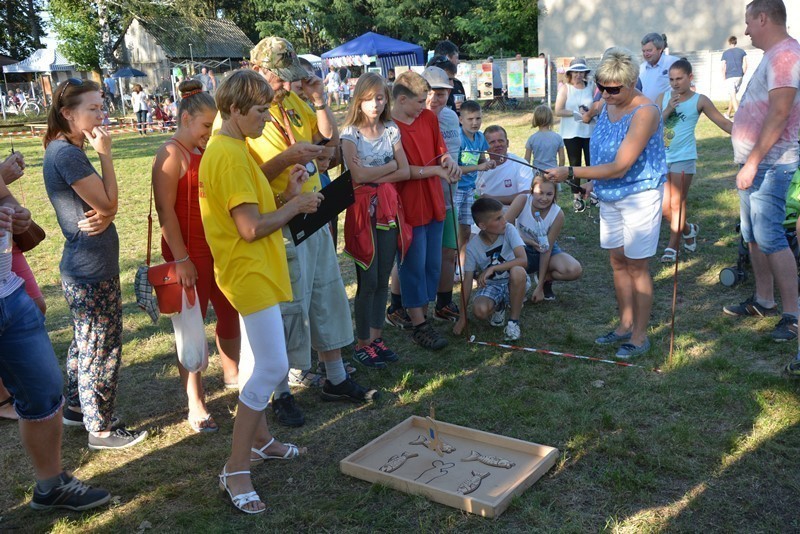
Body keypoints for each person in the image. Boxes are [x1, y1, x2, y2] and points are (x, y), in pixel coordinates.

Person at [199, 69, 321, 514]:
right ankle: (236, 467)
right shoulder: (228, 154)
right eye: (259, 111)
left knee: (257, 361)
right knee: (272, 366)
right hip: (247, 270)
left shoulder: (234, 146)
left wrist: (285, 190)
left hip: (253, 269)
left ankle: (262, 440)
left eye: (269, 108)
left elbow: (252, 205)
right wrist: (296, 205)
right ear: (233, 110)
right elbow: (249, 228)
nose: (267, 118)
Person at [248, 36, 379, 428]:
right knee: (289, 304)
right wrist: (287, 160)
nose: (286, 86)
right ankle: (281, 391)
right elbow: (245, 176)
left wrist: (320, 102)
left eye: (290, 78)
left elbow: (329, 143)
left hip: (313, 208)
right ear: (257, 70)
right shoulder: (239, 115)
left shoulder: (290, 102)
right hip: (280, 218)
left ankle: (335, 377)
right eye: (279, 78)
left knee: (326, 292)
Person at [43, 79, 148, 448]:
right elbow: (107, 204)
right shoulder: (67, 154)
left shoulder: (66, 147)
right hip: (89, 268)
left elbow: (104, 206)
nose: (101, 114)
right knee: (100, 348)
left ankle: (75, 409)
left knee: (84, 343)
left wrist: (107, 209)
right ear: (68, 114)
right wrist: (106, 154)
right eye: (93, 108)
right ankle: (100, 430)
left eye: (102, 106)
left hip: (87, 266)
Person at [544, 47, 667, 359]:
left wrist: (571, 171)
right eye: (602, 87)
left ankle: (640, 336)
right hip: (610, 195)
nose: (607, 95)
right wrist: (591, 182)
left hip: (639, 196)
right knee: (617, 261)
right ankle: (624, 324)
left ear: (633, 82)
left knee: (637, 266)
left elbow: (621, 164)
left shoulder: (645, 112)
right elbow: (603, 156)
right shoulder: (607, 105)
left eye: (614, 89)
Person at [1, 174, 112, 512]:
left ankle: (51, 485)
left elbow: (5, 200)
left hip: (9, 291)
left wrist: (17, 215)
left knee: (45, 391)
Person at [152, 79, 241, 433]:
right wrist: (182, 258)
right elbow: (165, 211)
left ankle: (233, 375)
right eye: (206, 125)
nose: (209, 132)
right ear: (187, 119)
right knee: (190, 329)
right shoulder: (171, 154)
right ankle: (195, 400)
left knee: (230, 311)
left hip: (217, 250)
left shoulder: (208, 151)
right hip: (187, 254)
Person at [723, 0, 800, 346]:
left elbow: (780, 113)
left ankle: (793, 315)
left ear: (763, 18)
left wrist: (753, 162)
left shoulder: (785, 56)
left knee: (770, 236)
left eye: (749, 22)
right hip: (755, 162)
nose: (747, 30)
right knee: (752, 234)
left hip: (771, 163)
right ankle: (764, 300)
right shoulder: (774, 55)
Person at [386, 70, 460, 349]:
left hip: (434, 201)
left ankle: (422, 311)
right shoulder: (389, 128)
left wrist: (448, 159)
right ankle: (419, 323)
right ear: (402, 100)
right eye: (419, 101)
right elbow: (401, 171)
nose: (425, 105)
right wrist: (437, 170)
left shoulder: (428, 118)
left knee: (431, 263)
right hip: (408, 207)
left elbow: (441, 150)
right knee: (412, 265)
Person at [341, 73, 410, 368]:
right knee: (367, 280)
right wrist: (388, 166)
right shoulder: (349, 133)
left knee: (383, 276)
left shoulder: (391, 130)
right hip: (362, 212)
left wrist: (375, 172)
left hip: (388, 209)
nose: (376, 104)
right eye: (369, 98)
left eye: (380, 98)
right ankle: (362, 342)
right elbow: (357, 177)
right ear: (359, 99)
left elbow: (405, 170)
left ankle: (377, 338)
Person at [656, 59, 732, 263]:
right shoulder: (663, 97)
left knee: (677, 203)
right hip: (662, 158)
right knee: (663, 208)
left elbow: (723, 122)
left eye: (679, 78)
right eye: (671, 79)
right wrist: (668, 109)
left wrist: (746, 135)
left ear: (690, 77)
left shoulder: (700, 100)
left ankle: (673, 246)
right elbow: (652, 125)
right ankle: (689, 230)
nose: (675, 83)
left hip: (684, 157)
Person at [453, 198, 528, 341]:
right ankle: (500, 306)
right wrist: (462, 318)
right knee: (480, 311)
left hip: (515, 280)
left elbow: (523, 260)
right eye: (498, 219)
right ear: (483, 225)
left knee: (518, 271)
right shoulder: (472, 247)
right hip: (492, 285)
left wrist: (493, 268)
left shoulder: (509, 230)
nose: (504, 221)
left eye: (503, 216)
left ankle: (513, 322)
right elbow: (467, 282)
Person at [422, 66, 463, 323]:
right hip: (423, 201)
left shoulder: (449, 117)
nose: (435, 99)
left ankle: (444, 302)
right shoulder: (411, 120)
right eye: (431, 92)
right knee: (415, 256)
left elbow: (456, 154)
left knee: (449, 251)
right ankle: (399, 305)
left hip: (449, 197)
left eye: (442, 93)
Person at [505, 176, 582, 302]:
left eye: (549, 194)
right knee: (507, 268)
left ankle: (545, 278)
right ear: (531, 190)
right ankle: (518, 283)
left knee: (574, 269)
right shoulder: (522, 200)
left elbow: (547, 248)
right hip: (520, 247)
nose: (544, 198)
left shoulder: (558, 214)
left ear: (555, 194)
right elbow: (504, 229)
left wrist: (539, 287)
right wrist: (528, 241)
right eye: (540, 193)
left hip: (544, 249)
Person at [455, 100, 495, 272]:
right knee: (453, 228)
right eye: (470, 119)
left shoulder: (480, 138)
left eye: (478, 118)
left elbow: (481, 159)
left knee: (465, 228)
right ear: (461, 119)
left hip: (470, 189)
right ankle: (450, 261)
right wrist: (479, 167)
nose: (475, 123)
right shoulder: (458, 138)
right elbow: (455, 168)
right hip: (456, 189)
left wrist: (488, 162)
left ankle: (460, 264)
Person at [555, 58, 596, 208]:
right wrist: (575, 113)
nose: (578, 75)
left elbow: (597, 105)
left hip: (589, 130)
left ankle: (593, 193)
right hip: (571, 132)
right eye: (576, 72)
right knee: (575, 164)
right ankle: (577, 195)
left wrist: (589, 112)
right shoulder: (565, 88)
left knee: (591, 163)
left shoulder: (591, 86)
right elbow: (558, 110)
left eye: (581, 72)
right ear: (570, 73)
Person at [477, 125, 533, 205]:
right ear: (485, 146)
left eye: (501, 141)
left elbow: (526, 195)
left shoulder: (521, 165)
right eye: (492, 142)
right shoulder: (481, 168)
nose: (497, 144)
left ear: (507, 143)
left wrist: (492, 199)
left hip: (515, 215)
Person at [639, 33, 678, 101]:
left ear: (660, 50)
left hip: (669, 110)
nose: (646, 54)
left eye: (649, 50)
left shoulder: (673, 63)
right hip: (646, 110)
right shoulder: (641, 68)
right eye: (643, 51)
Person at [525, 105, 565, 170]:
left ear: (535, 119)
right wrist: (559, 170)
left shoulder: (532, 138)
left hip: (537, 174)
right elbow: (562, 159)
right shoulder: (558, 137)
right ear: (550, 119)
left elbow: (527, 160)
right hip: (553, 173)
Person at [721, 36, 748, 118]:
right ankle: (728, 113)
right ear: (735, 42)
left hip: (730, 76)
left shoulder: (725, 53)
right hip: (739, 76)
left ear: (729, 43)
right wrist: (742, 74)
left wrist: (724, 77)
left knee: (732, 95)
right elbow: (746, 64)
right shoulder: (742, 52)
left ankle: (738, 115)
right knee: (732, 96)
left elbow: (723, 66)